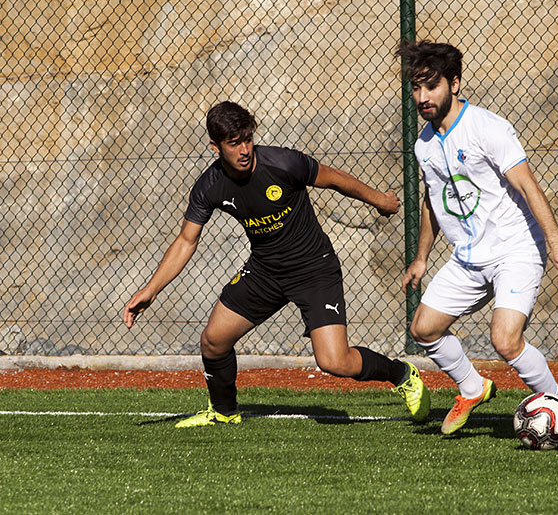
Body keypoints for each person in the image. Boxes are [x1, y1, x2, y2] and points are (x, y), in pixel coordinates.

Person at [123, 101, 430, 427]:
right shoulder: (210, 186)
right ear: (215, 146)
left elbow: (334, 178)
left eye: (247, 139)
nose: (244, 149)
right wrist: (151, 289)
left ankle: (401, 373)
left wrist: (379, 199)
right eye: (234, 143)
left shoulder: (282, 162)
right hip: (265, 272)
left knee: (334, 361)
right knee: (213, 342)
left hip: (314, 268)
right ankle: (224, 412)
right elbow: (186, 241)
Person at [395, 40, 558, 434]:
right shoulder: (424, 144)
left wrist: (557, 242)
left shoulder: (488, 128)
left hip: (515, 249)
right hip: (467, 258)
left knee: (506, 340)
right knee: (423, 329)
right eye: (416, 88)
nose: (423, 97)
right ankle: (472, 387)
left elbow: (530, 186)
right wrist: (421, 258)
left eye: (431, 86)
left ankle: (557, 409)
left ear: (455, 83)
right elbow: (431, 200)